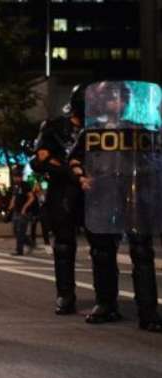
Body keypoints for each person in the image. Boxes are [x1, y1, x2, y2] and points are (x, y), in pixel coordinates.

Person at [68, 81, 162, 332]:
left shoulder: (140, 130)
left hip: (135, 196)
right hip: (103, 195)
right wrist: (81, 177)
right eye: (111, 98)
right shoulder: (92, 132)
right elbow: (74, 158)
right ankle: (106, 304)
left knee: (142, 251)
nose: (116, 102)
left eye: (121, 98)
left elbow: (155, 159)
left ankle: (148, 311)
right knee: (102, 251)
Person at [29, 84, 86, 315]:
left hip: (93, 190)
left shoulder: (100, 129)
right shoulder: (55, 127)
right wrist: (68, 172)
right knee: (63, 245)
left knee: (104, 246)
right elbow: (40, 160)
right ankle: (65, 295)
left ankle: (107, 300)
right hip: (63, 191)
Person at [7, 168, 35, 256]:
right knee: (15, 231)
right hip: (16, 211)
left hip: (24, 212)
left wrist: (24, 208)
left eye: (18, 176)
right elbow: (14, 197)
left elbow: (31, 198)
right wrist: (10, 208)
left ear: (21, 177)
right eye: (15, 176)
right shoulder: (15, 186)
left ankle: (19, 250)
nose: (16, 178)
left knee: (20, 231)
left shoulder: (25, 185)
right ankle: (30, 243)